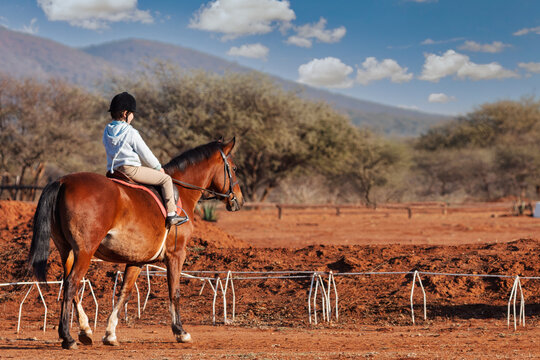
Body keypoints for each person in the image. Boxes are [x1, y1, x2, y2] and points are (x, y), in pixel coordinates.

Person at [102, 92, 186, 226]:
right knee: (166, 180)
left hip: (113, 171)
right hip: (131, 170)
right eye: (132, 113)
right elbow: (146, 154)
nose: (133, 116)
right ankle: (171, 214)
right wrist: (158, 168)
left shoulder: (106, 130)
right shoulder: (131, 132)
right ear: (125, 113)